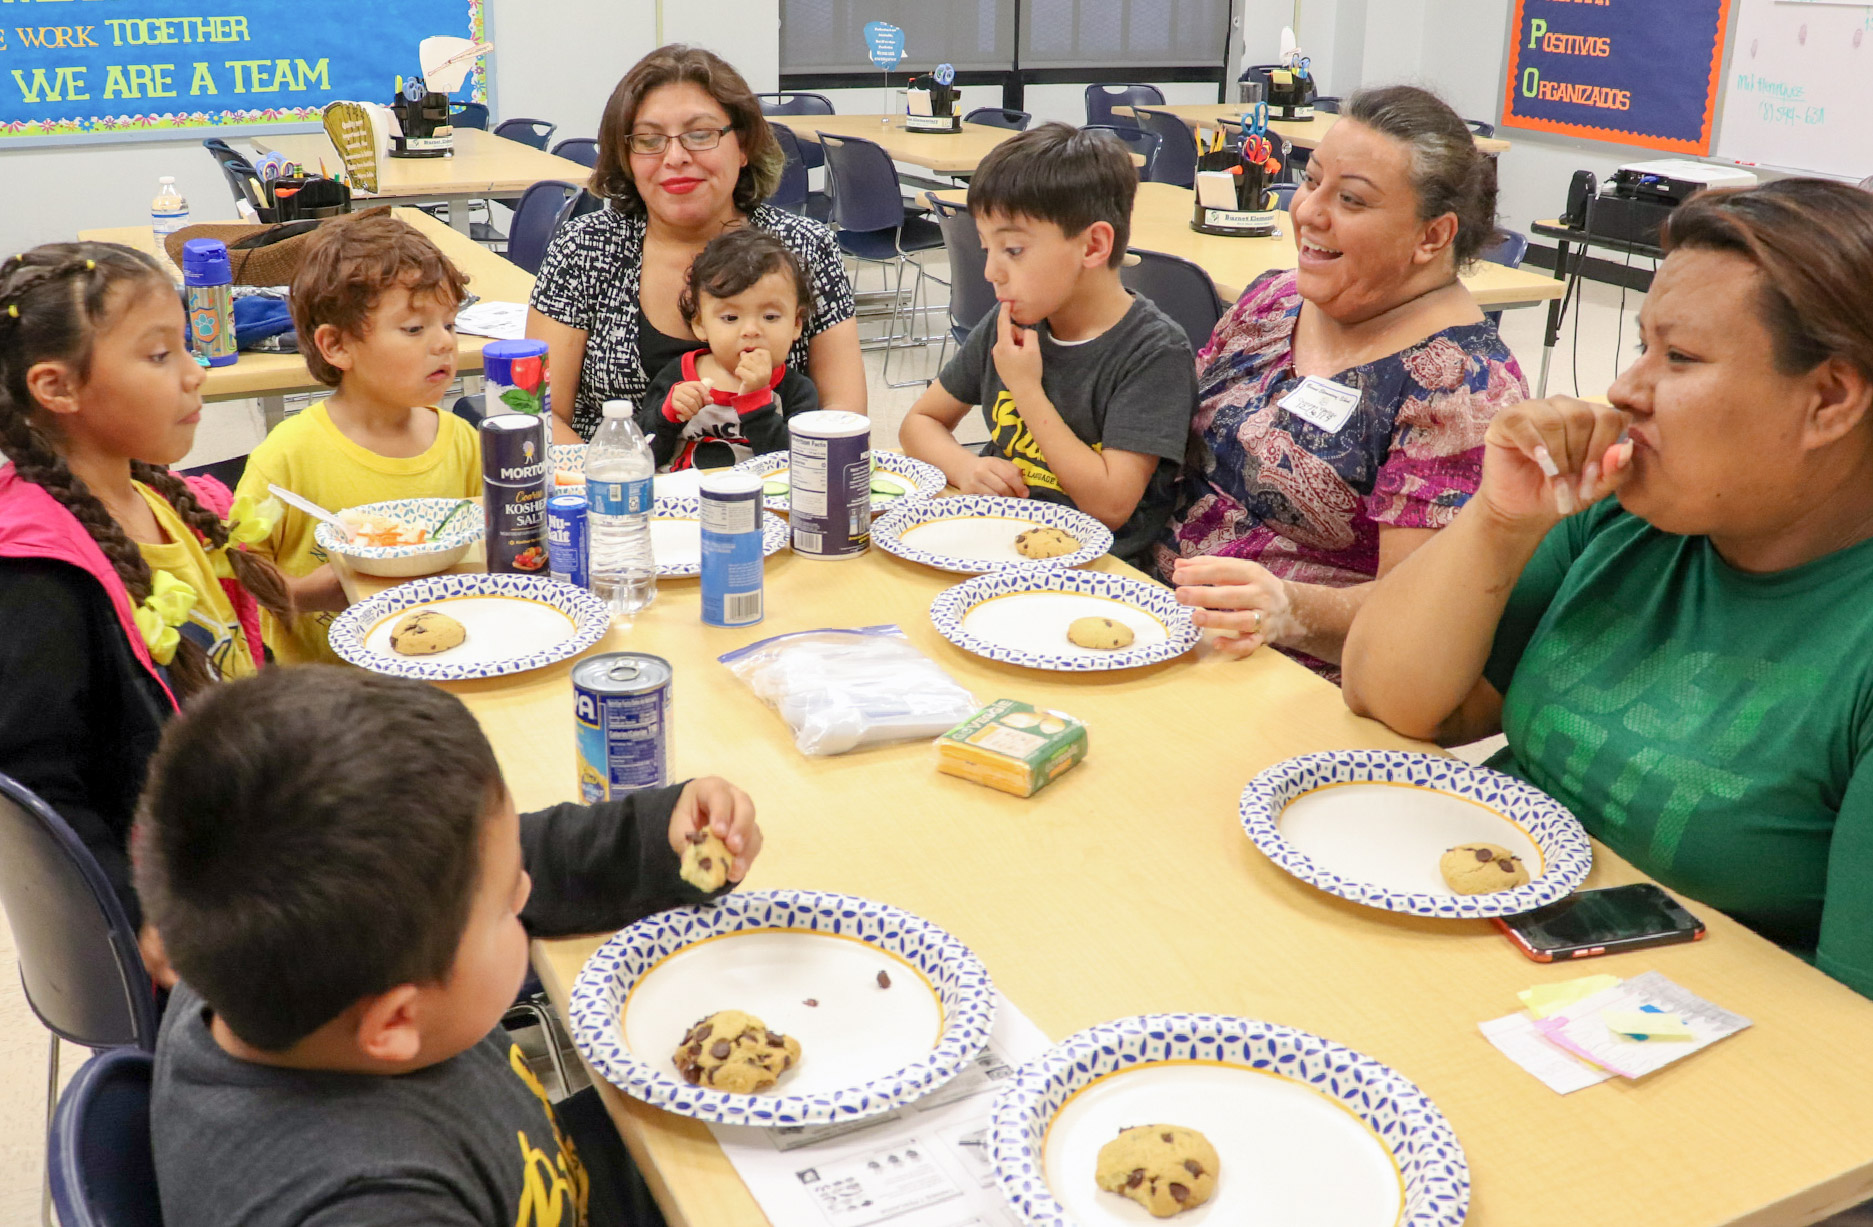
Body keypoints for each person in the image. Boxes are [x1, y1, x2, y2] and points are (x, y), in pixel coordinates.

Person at [1341, 179, 1873, 1000]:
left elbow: (1847, 1037)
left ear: (1830, 399)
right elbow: (1392, 698)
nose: (1626, 388)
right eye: (1641, 346)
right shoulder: (1631, 518)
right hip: (1476, 949)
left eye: (1680, 358)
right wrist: (1499, 518)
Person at [141, 666, 764, 1225]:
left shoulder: (247, 940)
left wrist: (658, 840)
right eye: (504, 909)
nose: (526, 889)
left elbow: (497, 860)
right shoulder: (374, 1205)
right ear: (398, 1020)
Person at [1155, 85, 1526, 677]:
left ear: (1433, 236)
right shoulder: (1274, 300)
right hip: (1154, 616)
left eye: (1350, 200)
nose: (1308, 212)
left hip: (1283, 675)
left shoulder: (1461, 389)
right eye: (1311, 180)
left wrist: (1288, 607)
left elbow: (1422, 614)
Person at [0, 242, 292, 927]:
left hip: (257, 830)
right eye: (160, 356)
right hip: (193, 906)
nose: (195, 375)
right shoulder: (38, 572)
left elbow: (237, 661)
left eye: (186, 348)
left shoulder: (172, 503)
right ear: (56, 387)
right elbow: (38, 791)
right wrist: (137, 924)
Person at [898, 122, 1197, 569]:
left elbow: (1110, 506)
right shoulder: (1014, 322)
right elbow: (919, 423)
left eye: (1013, 250)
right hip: (995, 545)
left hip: (1092, 572)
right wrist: (965, 468)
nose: (991, 272)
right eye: (987, 250)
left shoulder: (1154, 353)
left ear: (1093, 245)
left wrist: (1026, 388)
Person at [528, 44, 863, 443]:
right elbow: (540, 416)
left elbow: (843, 417)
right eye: (649, 140)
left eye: (700, 135)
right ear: (626, 156)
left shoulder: (805, 247)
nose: (675, 157)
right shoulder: (583, 248)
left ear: (743, 146)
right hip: (612, 491)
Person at [233, 210, 481, 664]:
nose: (444, 342)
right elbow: (236, 576)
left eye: (448, 323)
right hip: (327, 698)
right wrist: (308, 593)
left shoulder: (462, 442)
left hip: (442, 674)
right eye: (413, 328)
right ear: (337, 346)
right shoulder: (288, 456)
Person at [639, 226, 819, 471]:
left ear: (796, 324)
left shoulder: (795, 391)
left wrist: (756, 402)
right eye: (731, 318)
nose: (751, 330)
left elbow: (800, 468)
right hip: (682, 502)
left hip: (759, 503)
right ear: (701, 324)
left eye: (770, 316)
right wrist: (667, 414)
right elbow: (640, 457)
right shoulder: (676, 376)